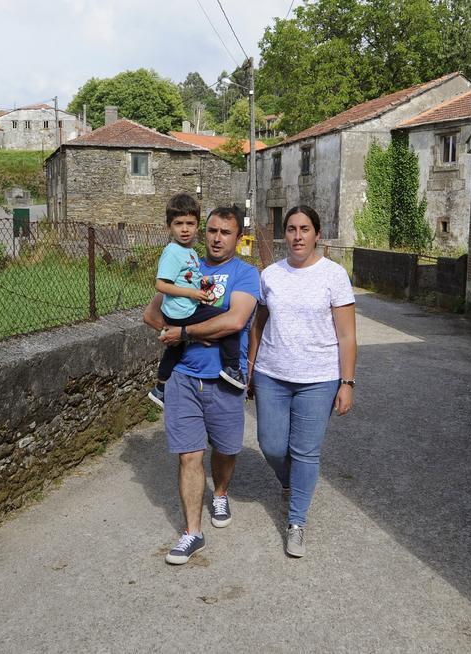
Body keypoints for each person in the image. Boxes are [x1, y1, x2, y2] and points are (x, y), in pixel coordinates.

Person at [143, 205, 259, 565]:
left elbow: (235, 320)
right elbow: (151, 314)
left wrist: (185, 332)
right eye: (211, 230)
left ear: (238, 238)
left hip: (225, 379)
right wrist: (177, 334)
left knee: (225, 449)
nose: (216, 238)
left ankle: (220, 492)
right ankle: (192, 532)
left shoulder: (245, 273)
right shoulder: (186, 264)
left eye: (225, 232)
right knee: (189, 455)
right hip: (185, 378)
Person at [247, 205, 356, 558]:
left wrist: (347, 383)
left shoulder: (334, 276)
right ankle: (292, 484)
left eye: (304, 229)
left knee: (305, 452)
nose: (297, 236)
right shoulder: (270, 276)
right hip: (272, 374)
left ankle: (296, 523)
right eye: (291, 229)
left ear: (317, 234)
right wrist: (249, 366)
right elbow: (258, 325)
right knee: (272, 444)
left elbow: (347, 335)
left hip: (319, 379)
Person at [149, 194, 247, 410]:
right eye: (179, 224)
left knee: (175, 347)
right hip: (184, 314)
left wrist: (185, 333)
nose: (185, 229)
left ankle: (160, 387)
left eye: (190, 224)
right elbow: (158, 292)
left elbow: (189, 277)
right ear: (169, 227)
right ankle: (232, 368)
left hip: (185, 313)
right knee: (223, 319)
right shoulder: (174, 252)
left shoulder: (191, 253)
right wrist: (187, 330)